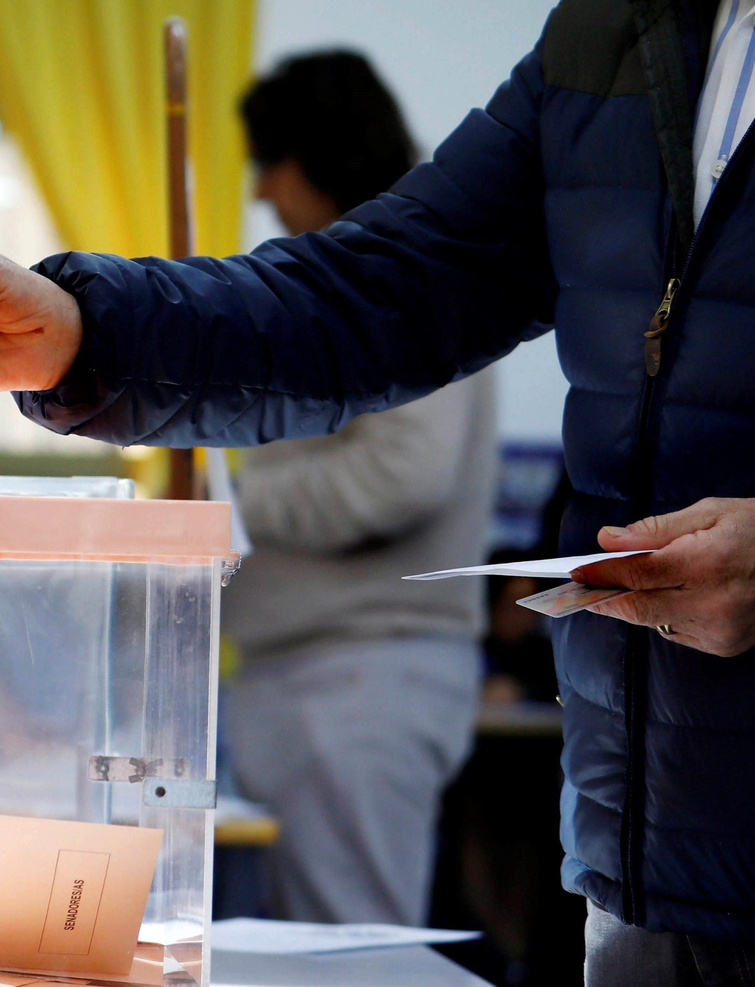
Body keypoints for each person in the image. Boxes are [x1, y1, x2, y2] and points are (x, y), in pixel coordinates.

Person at [0, 2, 755, 987]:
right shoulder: (613, 36)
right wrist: (85, 331)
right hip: (649, 857)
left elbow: (388, 477)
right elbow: (373, 290)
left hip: (383, 685)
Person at [221, 51, 495, 927]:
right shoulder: (367, 270)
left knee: (357, 975)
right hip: (320, 679)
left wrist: (225, 510)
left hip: (359, 681)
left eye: (269, 164)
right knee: (319, 972)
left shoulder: (417, 270)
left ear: (310, 159)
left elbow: (400, 474)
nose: (263, 192)